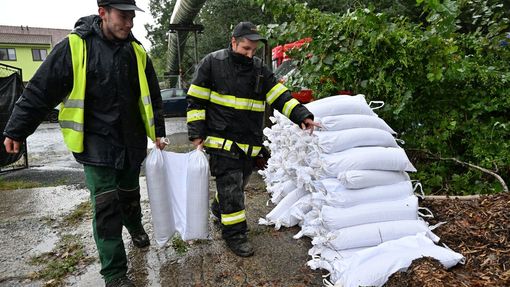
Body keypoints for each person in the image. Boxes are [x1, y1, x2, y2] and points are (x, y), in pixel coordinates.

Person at [2, 0, 166, 286]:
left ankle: (135, 225)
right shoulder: (75, 46)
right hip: (95, 143)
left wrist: (159, 133)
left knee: (129, 193)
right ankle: (114, 273)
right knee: (106, 206)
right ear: (102, 13)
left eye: (132, 18)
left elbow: (153, 97)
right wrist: (17, 129)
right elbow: (40, 90)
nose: (129, 24)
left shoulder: (137, 51)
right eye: (123, 17)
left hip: (131, 140)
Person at [187, 21, 319, 257]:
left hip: (249, 142)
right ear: (233, 42)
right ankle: (235, 235)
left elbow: (279, 96)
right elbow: (196, 100)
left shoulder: (259, 68)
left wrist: (302, 115)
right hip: (221, 140)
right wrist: (197, 133)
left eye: (253, 50)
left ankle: (220, 208)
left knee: (237, 185)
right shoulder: (212, 64)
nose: (250, 54)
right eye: (245, 48)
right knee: (232, 188)